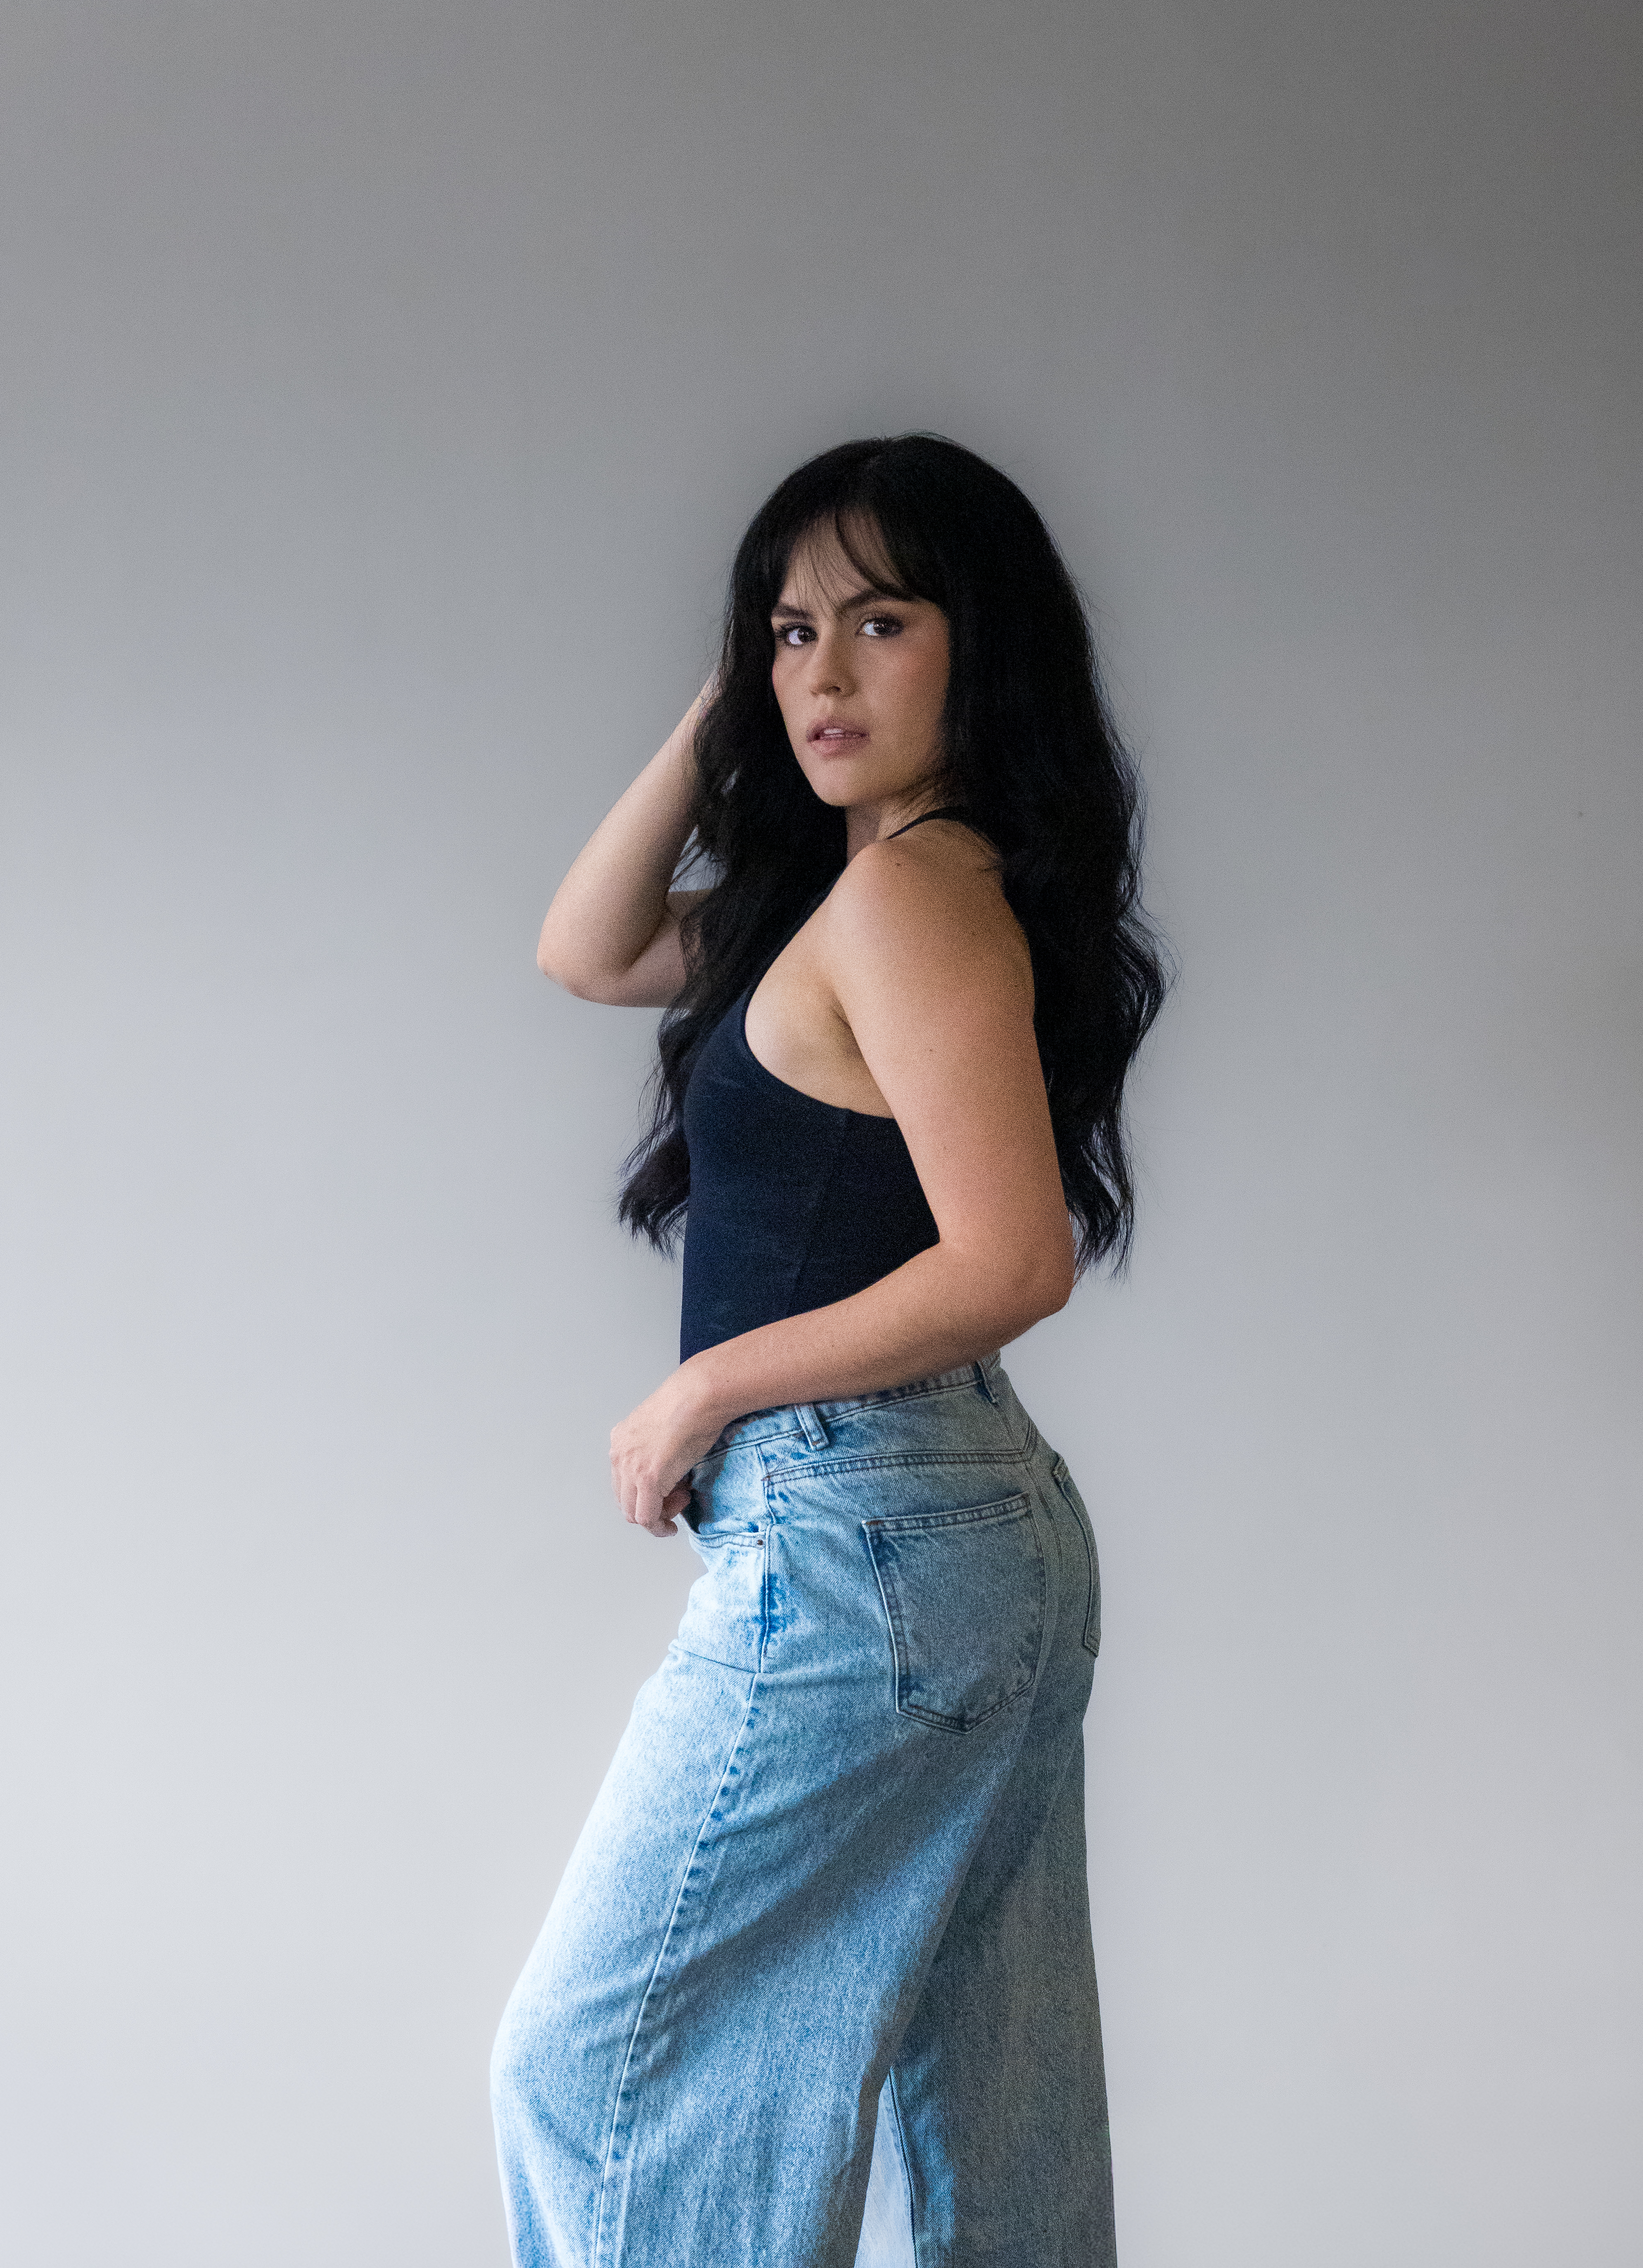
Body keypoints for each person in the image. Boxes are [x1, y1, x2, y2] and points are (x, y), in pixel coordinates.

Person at [490, 433, 1166, 2268]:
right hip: (949, 1534)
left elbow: (1013, 1255)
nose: (825, 675)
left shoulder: (911, 897)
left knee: (598, 2070)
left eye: (883, 621)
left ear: (984, 643)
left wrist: (711, 1382)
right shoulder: (861, 898)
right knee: (990, 2132)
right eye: (793, 632)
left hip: (869, 1535)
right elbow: (587, 943)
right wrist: (732, 692)